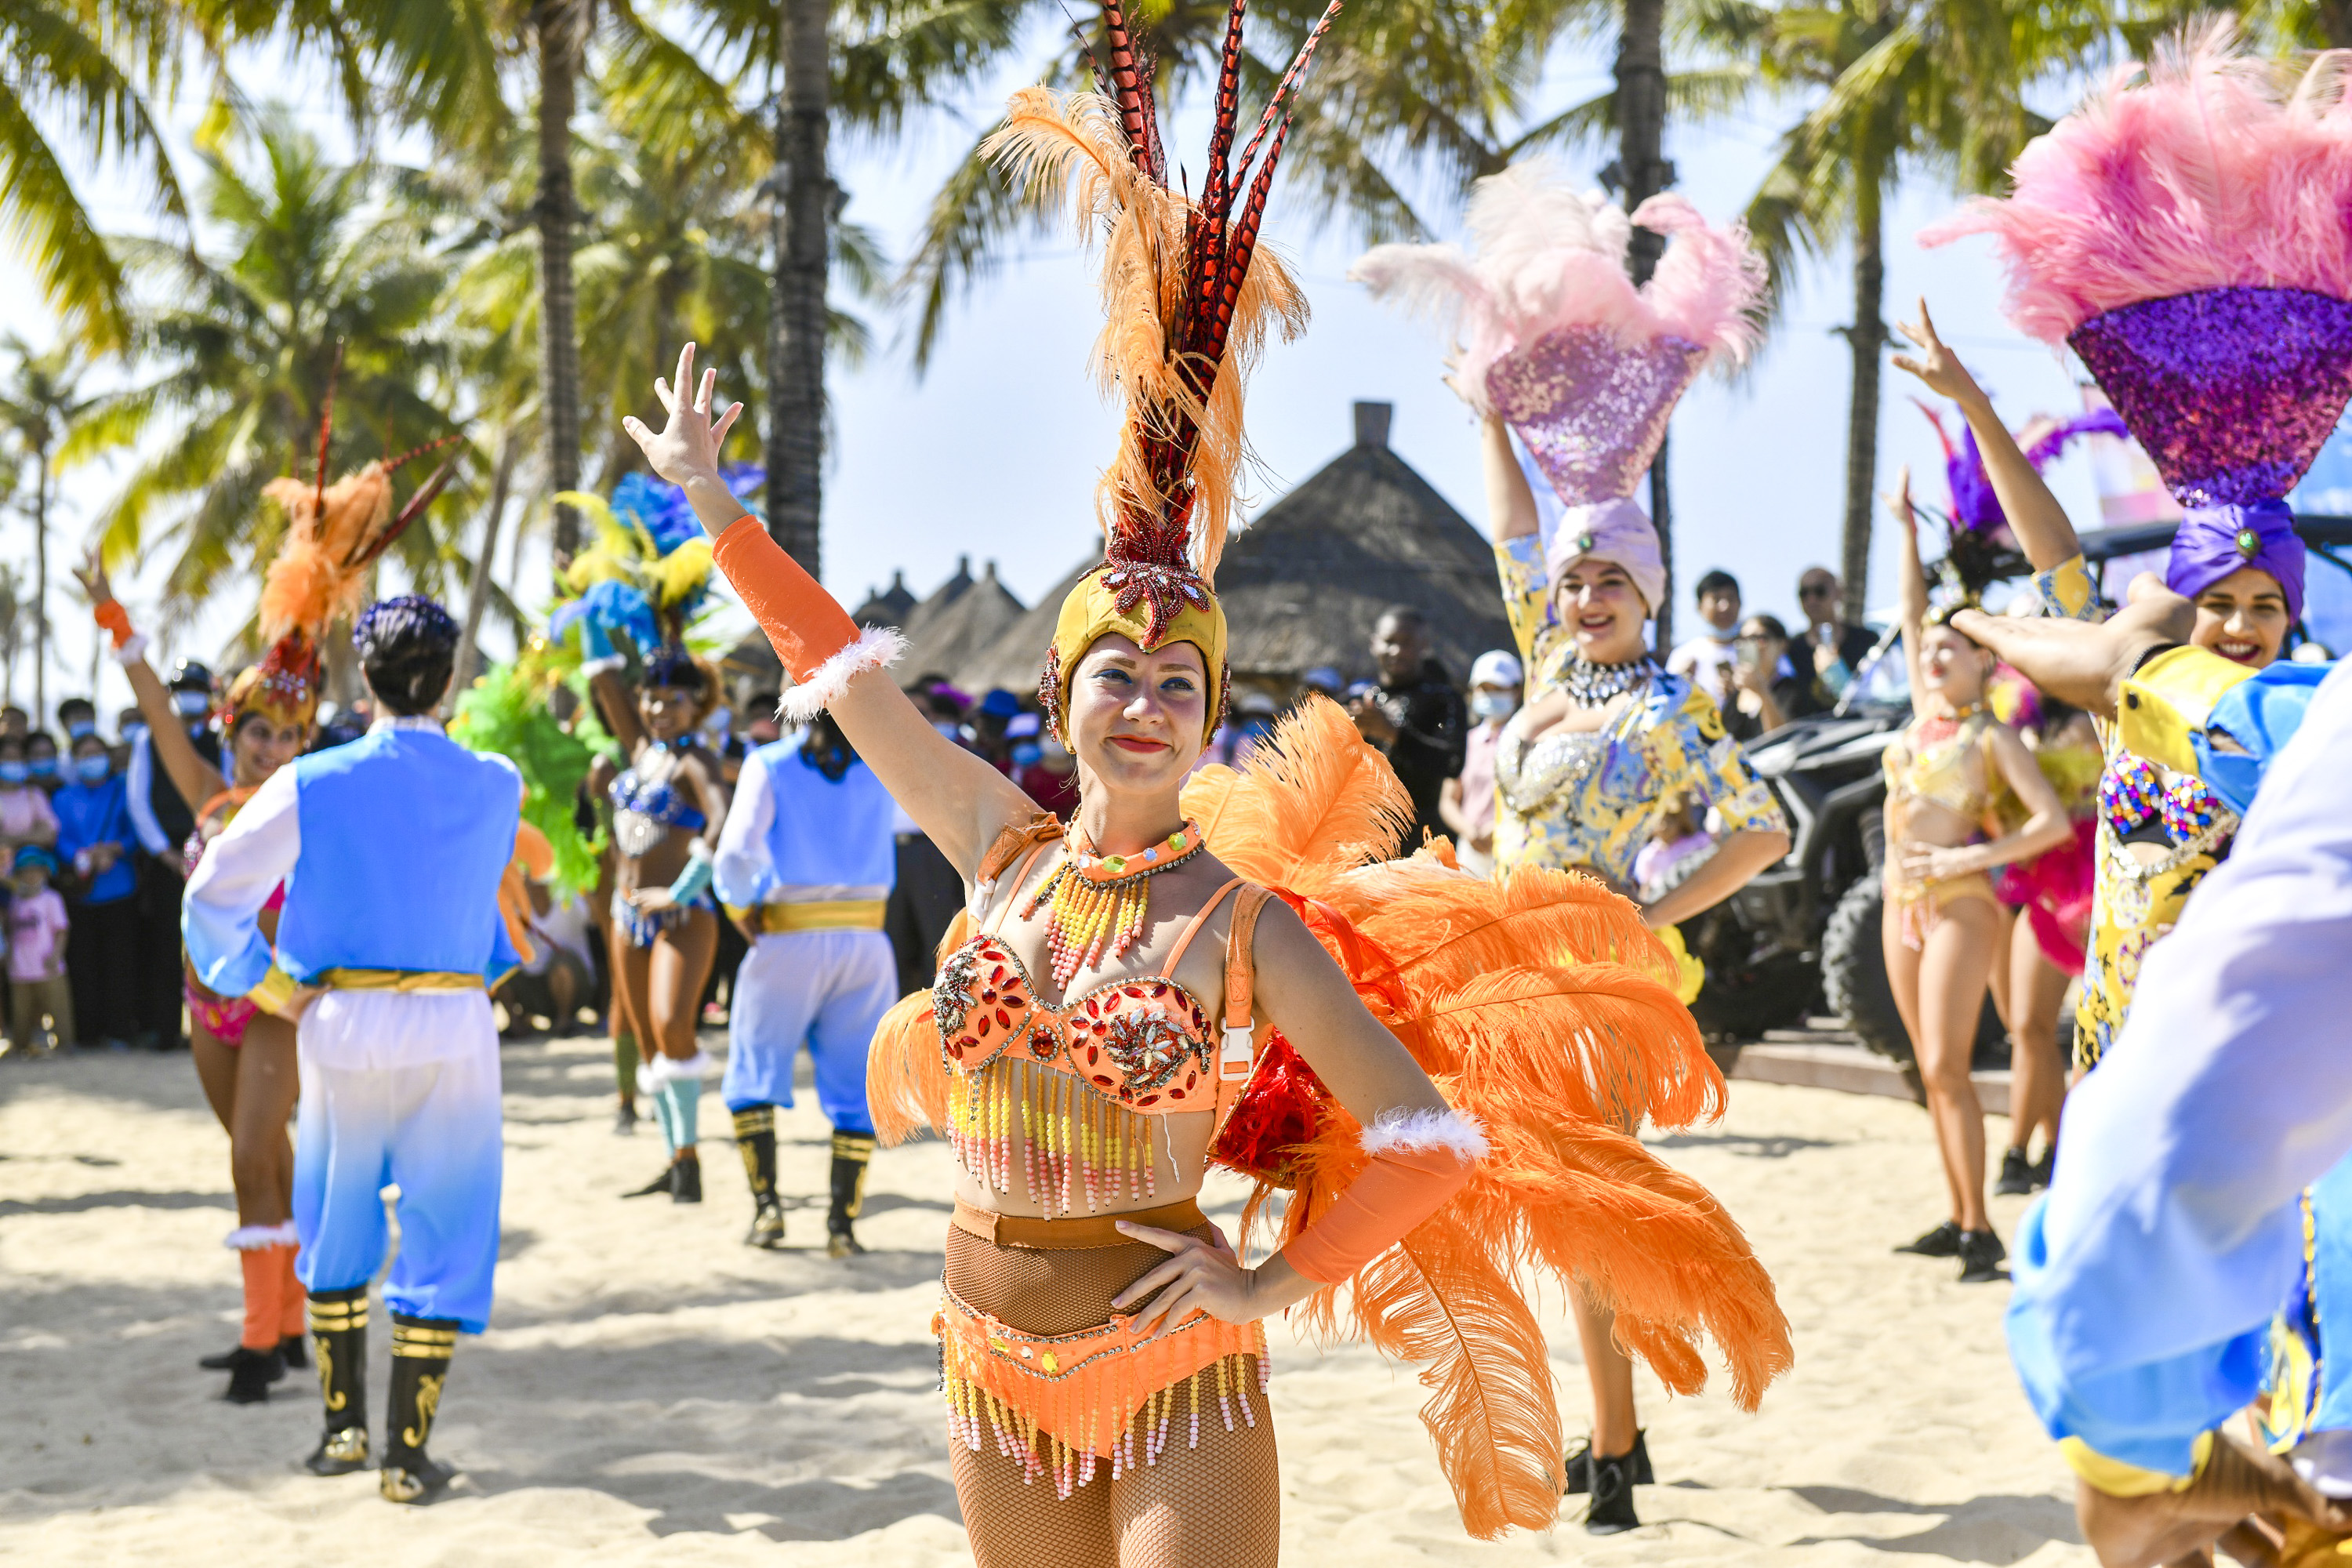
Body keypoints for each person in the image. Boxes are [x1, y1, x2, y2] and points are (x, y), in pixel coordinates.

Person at [626, 34, 1790, 1551]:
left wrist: (1267, 1284)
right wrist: (714, 502)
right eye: (1116, 674)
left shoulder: (1247, 928)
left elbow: (1428, 1138)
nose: (1148, 703)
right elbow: (845, 675)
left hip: (1180, 1380)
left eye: (1182, 685)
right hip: (987, 1374)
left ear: (1210, 722)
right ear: (1062, 695)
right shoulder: (998, 847)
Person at [1356, 162, 1795, 1531]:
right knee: (1536, 1206)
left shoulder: (1668, 709)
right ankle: (1618, 1432)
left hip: (1596, 984)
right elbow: (1513, 532)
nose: (1588, 593)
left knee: (1588, 1208)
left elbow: (1764, 827)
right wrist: (1491, 413)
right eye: (1577, 579)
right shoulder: (1546, 664)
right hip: (1501, 973)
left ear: (1649, 594)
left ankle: (1608, 1449)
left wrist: (1650, 912)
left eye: (1612, 580)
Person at [185, 593, 519, 1506]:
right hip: (454, 1018)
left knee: (336, 1210)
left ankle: (343, 1433)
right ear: (449, 678)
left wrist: (270, 986)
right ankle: (407, 1457)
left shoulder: (313, 779)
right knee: (445, 1220)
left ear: (361, 677)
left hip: (338, 1016)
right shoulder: (497, 781)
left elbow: (211, 893)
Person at [1878, 472, 2072, 1280]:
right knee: (1928, 1070)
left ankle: (1982, 1229)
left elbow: (2050, 823)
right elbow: (1911, 609)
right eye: (1928, 649)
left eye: (1948, 648)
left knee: (1947, 1067)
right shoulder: (1923, 714)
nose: (1931, 653)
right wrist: (1907, 531)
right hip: (1899, 903)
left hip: (1960, 903)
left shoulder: (1993, 736)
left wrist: (1969, 859)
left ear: (1983, 662)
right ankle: (1961, 1216)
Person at [713, 709, 902, 1255]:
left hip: (788, 935)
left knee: (753, 1070)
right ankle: (842, 1227)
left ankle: (767, 1209)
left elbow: (736, 853)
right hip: (866, 940)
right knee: (857, 1085)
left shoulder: (770, 763)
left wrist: (739, 909)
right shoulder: (882, 763)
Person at [126, 659, 223, 1051]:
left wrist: (211, 846)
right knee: (165, 945)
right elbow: (138, 801)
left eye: (197, 690)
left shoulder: (221, 739)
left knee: (209, 942)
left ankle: (211, 1030)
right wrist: (163, 852)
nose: (190, 698)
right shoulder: (147, 740)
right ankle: (167, 1031)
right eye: (183, 690)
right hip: (166, 859)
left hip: (212, 854)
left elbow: (226, 792)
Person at [1348, 605, 1468, 848]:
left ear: (1424, 645)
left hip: (1420, 840)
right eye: (1389, 641)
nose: (1397, 651)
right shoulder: (1358, 702)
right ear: (1374, 643)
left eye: (1407, 643)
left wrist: (1394, 734)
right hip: (1361, 840)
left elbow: (1452, 763)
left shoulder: (1443, 700)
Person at [53, 729, 139, 1048]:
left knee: (120, 964)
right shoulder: (63, 797)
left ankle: (120, 1030)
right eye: (85, 755)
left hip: (119, 888)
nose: (92, 760)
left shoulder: (123, 790)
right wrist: (83, 855)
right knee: (83, 964)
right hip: (81, 892)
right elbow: (59, 838)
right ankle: (87, 1033)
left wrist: (115, 849)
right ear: (75, 760)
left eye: (97, 753)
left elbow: (135, 834)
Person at [1438, 649, 1519, 877]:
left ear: (1516, 690)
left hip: (1513, 849)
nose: (1490, 695)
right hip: (1469, 851)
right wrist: (1470, 831)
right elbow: (1448, 800)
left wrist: (1496, 829)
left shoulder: (1527, 742)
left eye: (1498, 689)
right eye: (1484, 688)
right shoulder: (1467, 741)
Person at [5, 846, 72, 1055]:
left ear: (45, 872)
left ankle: (66, 1046)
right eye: (26, 871)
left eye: (36, 870)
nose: (31, 875)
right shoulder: (14, 901)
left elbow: (61, 931)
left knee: (59, 1010)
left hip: (49, 969)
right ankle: (21, 1045)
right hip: (20, 970)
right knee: (21, 1014)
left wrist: (56, 955)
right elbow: (9, 932)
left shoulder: (52, 899)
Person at [1791, 568, 1878, 714]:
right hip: (1809, 728)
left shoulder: (1866, 641)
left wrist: (1837, 674)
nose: (1811, 599)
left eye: (1820, 591)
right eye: (1804, 593)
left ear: (1839, 593)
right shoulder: (1791, 650)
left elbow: (1880, 693)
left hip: (1863, 725)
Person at [1722, 614, 1801, 742]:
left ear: (1782, 645)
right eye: (1743, 639)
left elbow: (1783, 740)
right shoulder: (1734, 695)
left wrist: (1762, 692)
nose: (1751, 645)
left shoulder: (1792, 690)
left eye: (1759, 638)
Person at [1665, 569, 1742, 697]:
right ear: (1699, 607)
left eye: (1731, 598)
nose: (1725, 606)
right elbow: (1666, 701)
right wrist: (1680, 682)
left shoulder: (1759, 651)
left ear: (1740, 603)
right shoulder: (1683, 655)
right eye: (1716, 599)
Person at [0, 732, 60, 858]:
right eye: (8, 757)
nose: (14, 762)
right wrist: (32, 835)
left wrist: (10, 839)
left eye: (19, 758)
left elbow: (49, 834)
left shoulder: (34, 794)